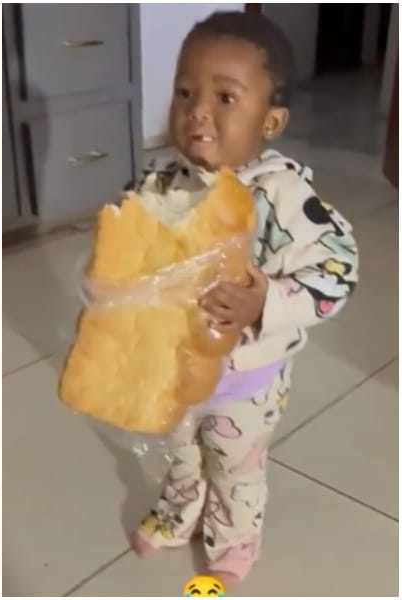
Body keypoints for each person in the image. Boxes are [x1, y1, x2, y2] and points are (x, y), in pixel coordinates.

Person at [126, 12, 358, 588]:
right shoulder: (160, 179)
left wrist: (268, 303)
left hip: (245, 381)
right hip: (174, 365)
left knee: (234, 467)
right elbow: (131, 250)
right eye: (185, 92)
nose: (197, 111)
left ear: (271, 120)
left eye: (225, 97)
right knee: (180, 449)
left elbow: (338, 273)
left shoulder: (285, 197)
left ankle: (233, 538)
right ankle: (180, 511)